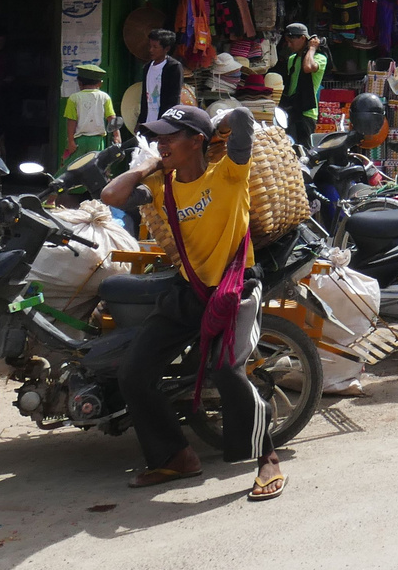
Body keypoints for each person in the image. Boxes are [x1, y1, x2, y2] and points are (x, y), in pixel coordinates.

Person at [100, 105, 285, 499]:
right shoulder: (161, 183)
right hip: (189, 291)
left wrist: (217, 123)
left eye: (171, 136)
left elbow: (244, 119)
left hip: (236, 289)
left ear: (197, 140)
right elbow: (109, 194)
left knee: (225, 369)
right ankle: (176, 456)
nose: (161, 143)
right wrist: (145, 165)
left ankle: (267, 457)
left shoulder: (230, 173)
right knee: (134, 373)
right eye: (158, 136)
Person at [275, 23, 327, 149]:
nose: (289, 45)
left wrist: (312, 49)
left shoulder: (319, 58)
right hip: (291, 111)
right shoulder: (292, 59)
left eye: (291, 41)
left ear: (303, 38)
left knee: (304, 152)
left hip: (306, 113)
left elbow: (308, 67)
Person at [62, 64, 117, 169]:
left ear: (79, 82)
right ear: (100, 83)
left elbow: (71, 121)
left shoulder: (73, 98)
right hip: (97, 141)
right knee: (95, 169)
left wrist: (70, 141)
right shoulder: (105, 97)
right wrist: (117, 136)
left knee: (72, 169)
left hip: (79, 141)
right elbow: (111, 118)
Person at [136, 28, 185, 134]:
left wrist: (166, 124)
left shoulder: (173, 67)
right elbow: (145, 96)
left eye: (155, 47)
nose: (151, 50)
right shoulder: (147, 67)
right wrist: (140, 121)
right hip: (148, 121)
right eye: (150, 46)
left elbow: (174, 98)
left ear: (166, 48)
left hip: (163, 122)